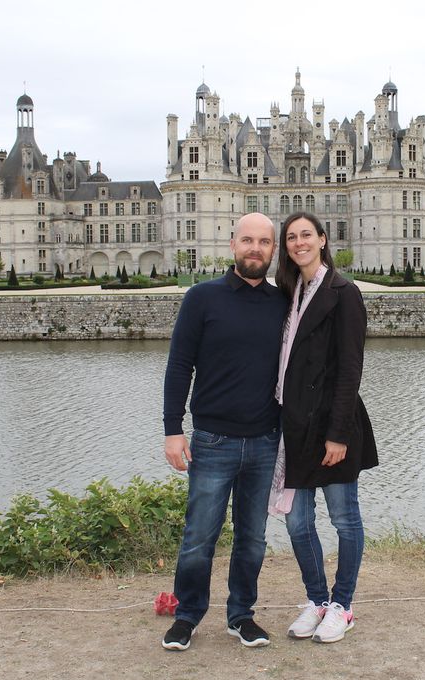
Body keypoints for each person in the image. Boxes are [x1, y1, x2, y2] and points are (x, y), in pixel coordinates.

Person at [161, 212, 288, 651]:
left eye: (265, 242)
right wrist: (172, 429)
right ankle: (187, 615)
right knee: (199, 536)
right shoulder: (202, 298)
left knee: (252, 538)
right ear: (232, 244)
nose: (256, 249)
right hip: (213, 439)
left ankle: (241, 615)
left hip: (265, 441)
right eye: (248, 240)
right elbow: (179, 365)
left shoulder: (283, 302)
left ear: (274, 250)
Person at [273, 211, 378, 644]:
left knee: (344, 519)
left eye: (306, 235)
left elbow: (351, 369)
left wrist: (338, 433)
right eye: (291, 237)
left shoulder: (344, 292)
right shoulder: (288, 290)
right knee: (297, 524)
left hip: (333, 426)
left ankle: (343, 605)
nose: (298, 243)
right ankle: (317, 600)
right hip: (294, 426)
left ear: (322, 240)